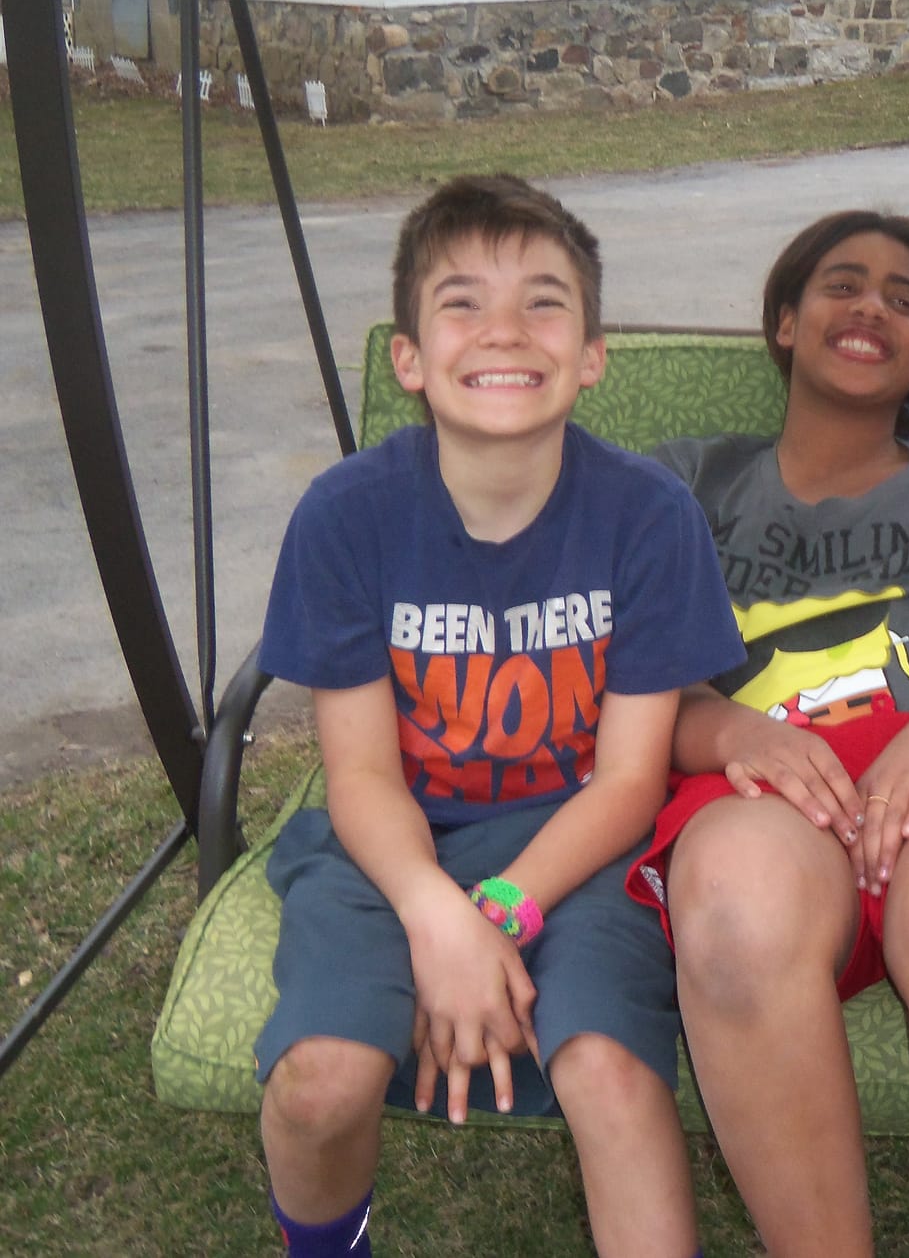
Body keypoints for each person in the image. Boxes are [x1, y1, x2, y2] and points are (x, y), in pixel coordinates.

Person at [254, 174, 742, 1258]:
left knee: (611, 1076)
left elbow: (631, 780)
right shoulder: (345, 516)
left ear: (593, 354)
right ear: (410, 359)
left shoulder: (649, 517)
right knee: (320, 1083)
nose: (505, 331)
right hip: (391, 839)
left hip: (579, 836)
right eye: (462, 303)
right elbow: (362, 776)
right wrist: (437, 918)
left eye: (544, 303)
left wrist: (503, 912)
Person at [624, 211, 909, 1258]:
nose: (870, 306)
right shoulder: (682, 485)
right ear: (786, 323)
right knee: (735, 909)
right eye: (842, 284)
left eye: (903, 300)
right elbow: (630, 685)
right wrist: (726, 731)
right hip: (759, 787)